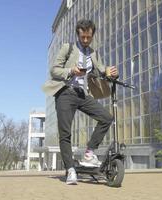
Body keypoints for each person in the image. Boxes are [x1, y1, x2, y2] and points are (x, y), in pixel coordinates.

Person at [42, 19, 118, 185]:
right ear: (78, 34)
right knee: (65, 133)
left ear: (92, 35)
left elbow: (101, 70)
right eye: (83, 37)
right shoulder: (67, 48)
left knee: (106, 118)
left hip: (83, 95)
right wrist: (71, 71)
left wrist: (109, 71)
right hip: (65, 93)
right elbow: (54, 70)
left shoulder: (93, 53)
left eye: (88, 37)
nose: (85, 40)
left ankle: (89, 152)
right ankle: (70, 170)